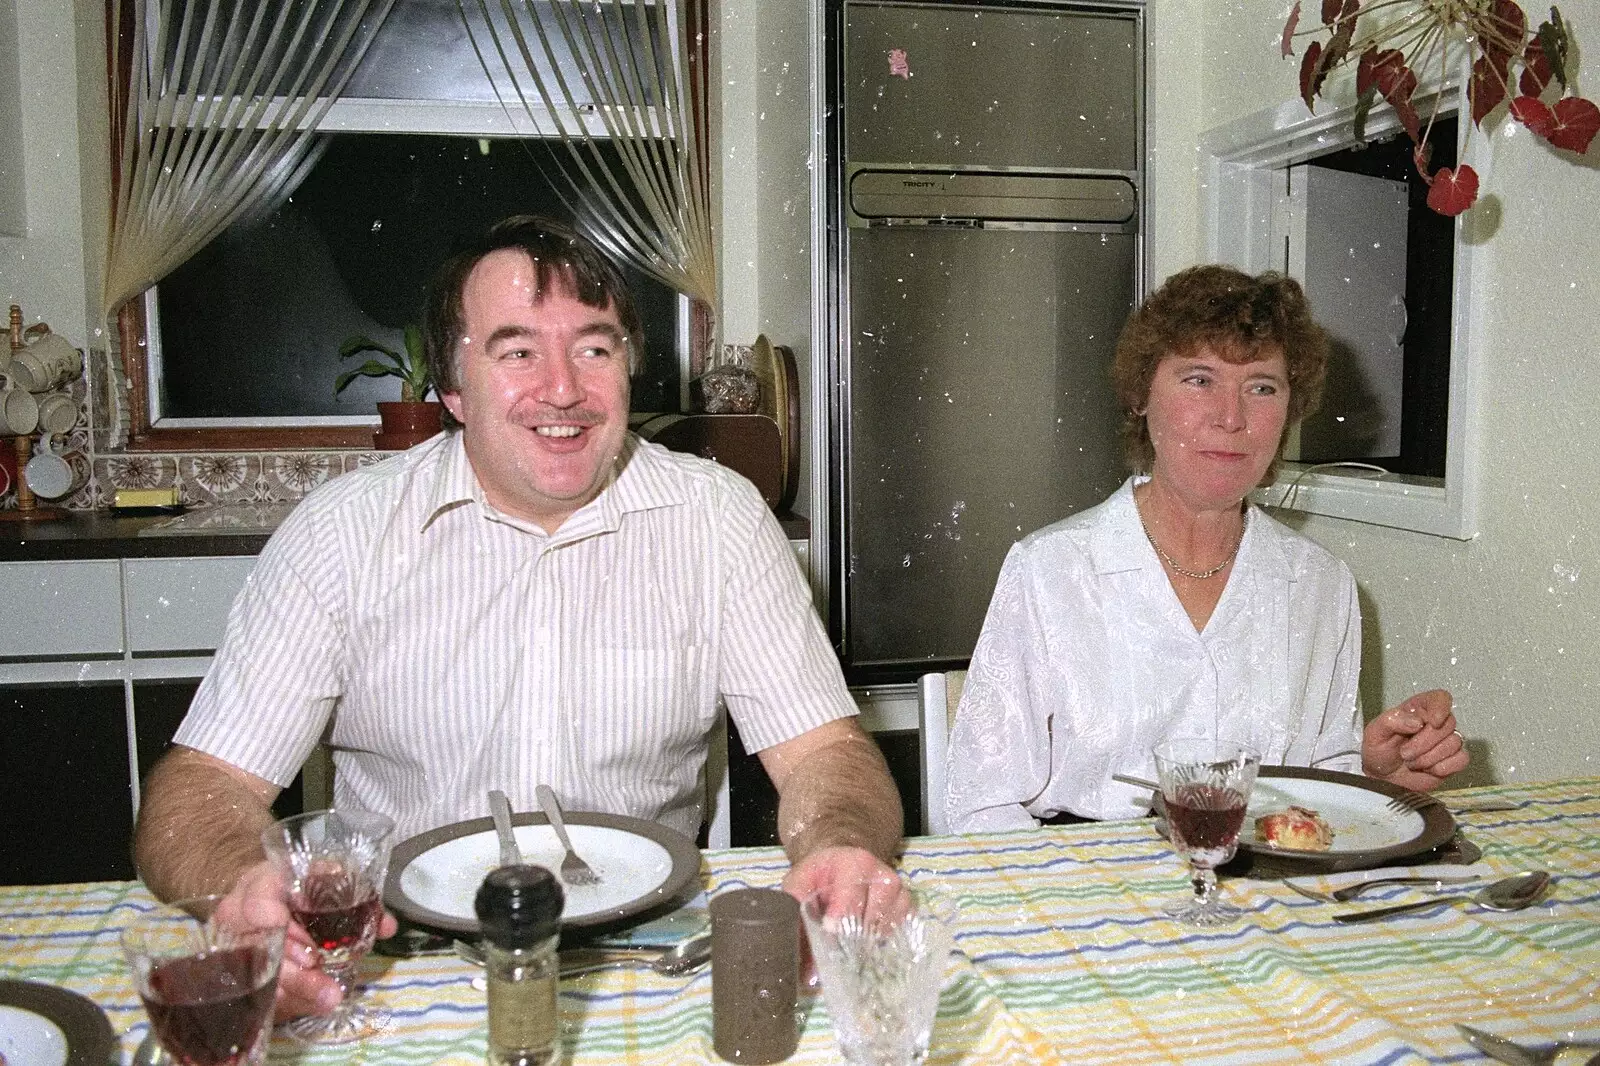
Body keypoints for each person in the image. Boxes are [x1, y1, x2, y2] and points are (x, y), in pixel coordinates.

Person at [134, 215, 903, 1017]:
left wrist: (838, 846)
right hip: (398, 968)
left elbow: (826, 755)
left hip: (646, 966)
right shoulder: (340, 536)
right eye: (517, 351)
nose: (563, 388)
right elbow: (199, 791)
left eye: (595, 348)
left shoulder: (720, 521)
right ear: (454, 387)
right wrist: (242, 882)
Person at [944, 264, 1468, 832]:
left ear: (1289, 412)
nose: (1230, 417)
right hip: (1092, 892)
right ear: (1143, 396)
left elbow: (1319, 789)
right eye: (1199, 379)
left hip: (1265, 895)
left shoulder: (1321, 585)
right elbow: (980, 801)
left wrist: (1372, 772)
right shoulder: (1050, 572)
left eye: (1261, 387)